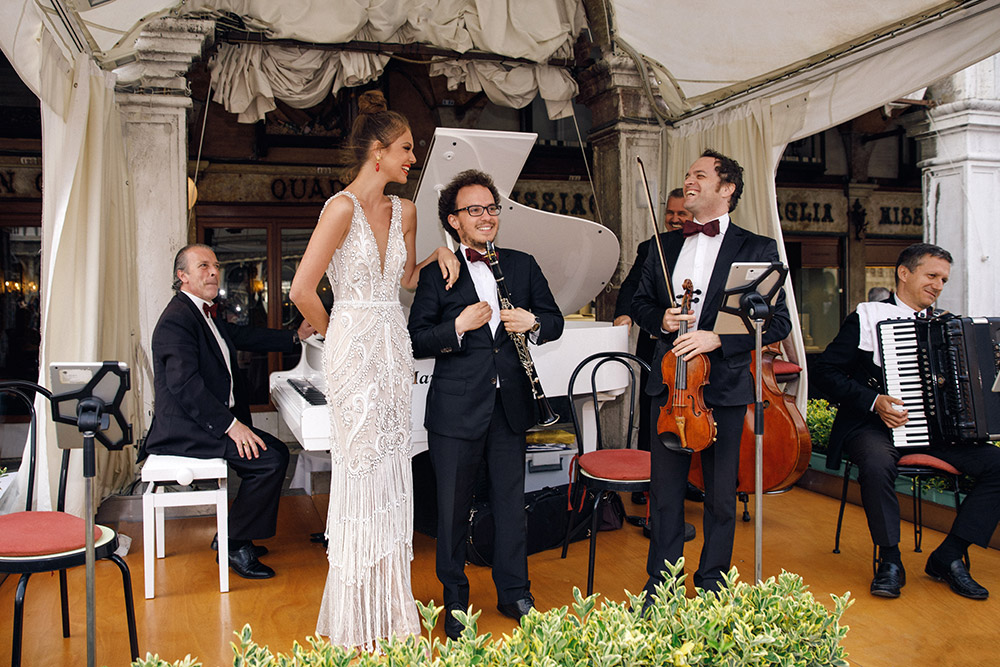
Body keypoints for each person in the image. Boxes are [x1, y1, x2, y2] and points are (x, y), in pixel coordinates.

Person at [289, 90, 460, 650]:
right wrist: (339, 333)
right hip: (353, 350)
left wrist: (438, 255)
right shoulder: (339, 208)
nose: (413, 158)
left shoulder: (406, 211)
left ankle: (388, 607)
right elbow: (302, 290)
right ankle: (354, 612)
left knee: (392, 466)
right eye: (407, 148)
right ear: (378, 152)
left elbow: (405, 281)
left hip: (393, 347)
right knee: (359, 469)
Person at [408, 169, 564, 640]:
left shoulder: (523, 264)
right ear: (453, 221)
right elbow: (416, 338)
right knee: (452, 509)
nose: (486, 216)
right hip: (456, 410)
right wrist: (457, 327)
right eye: (474, 209)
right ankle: (455, 599)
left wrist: (533, 322)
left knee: (511, 505)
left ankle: (515, 592)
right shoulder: (437, 273)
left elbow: (554, 321)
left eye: (491, 208)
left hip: (510, 406)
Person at [631, 149, 791, 596]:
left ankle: (713, 585)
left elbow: (777, 322)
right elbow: (639, 304)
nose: (689, 181)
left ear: (727, 188)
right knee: (665, 495)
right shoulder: (662, 246)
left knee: (721, 497)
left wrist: (718, 338)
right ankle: (660, 589)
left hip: (723, 385)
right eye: (688, 174)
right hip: (670, 386)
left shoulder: (758, 248)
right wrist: (660, 319)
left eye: (699, 175)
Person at [812, 243, 1000, 600]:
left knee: (997, 464)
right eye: (932, 276)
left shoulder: (947, 325)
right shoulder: (867, 316)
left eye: (943, 280)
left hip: (934, 432)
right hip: (873, 426)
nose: (938, 285)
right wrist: (874, 401)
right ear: (904, 273)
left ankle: (949, 556)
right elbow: (825, 372)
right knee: (876, 463)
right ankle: (890, 560)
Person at [145, 243, 315, 580]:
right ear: (182, 276)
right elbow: (185, 386)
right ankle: (234, 542)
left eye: (215, 266)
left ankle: (236, 530)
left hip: (205, 423)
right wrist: (231, 425)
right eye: (203, 266)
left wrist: (295, 337)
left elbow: (244, 335)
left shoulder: (203, 313)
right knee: (270, 459)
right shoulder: (176, 320)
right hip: (185, 431)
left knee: (275, 453)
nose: (213, 271)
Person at [614, 188, 704, 509]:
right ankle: (646, 477)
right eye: (670, 213)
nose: (675, 219)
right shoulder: (653, 246)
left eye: (682, 213)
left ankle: (688, 478)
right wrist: (625, 313)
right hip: (656, 345)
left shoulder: (704, 249)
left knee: (694, 416)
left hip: (695, 350)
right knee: (653, 413)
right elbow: (632, 285)